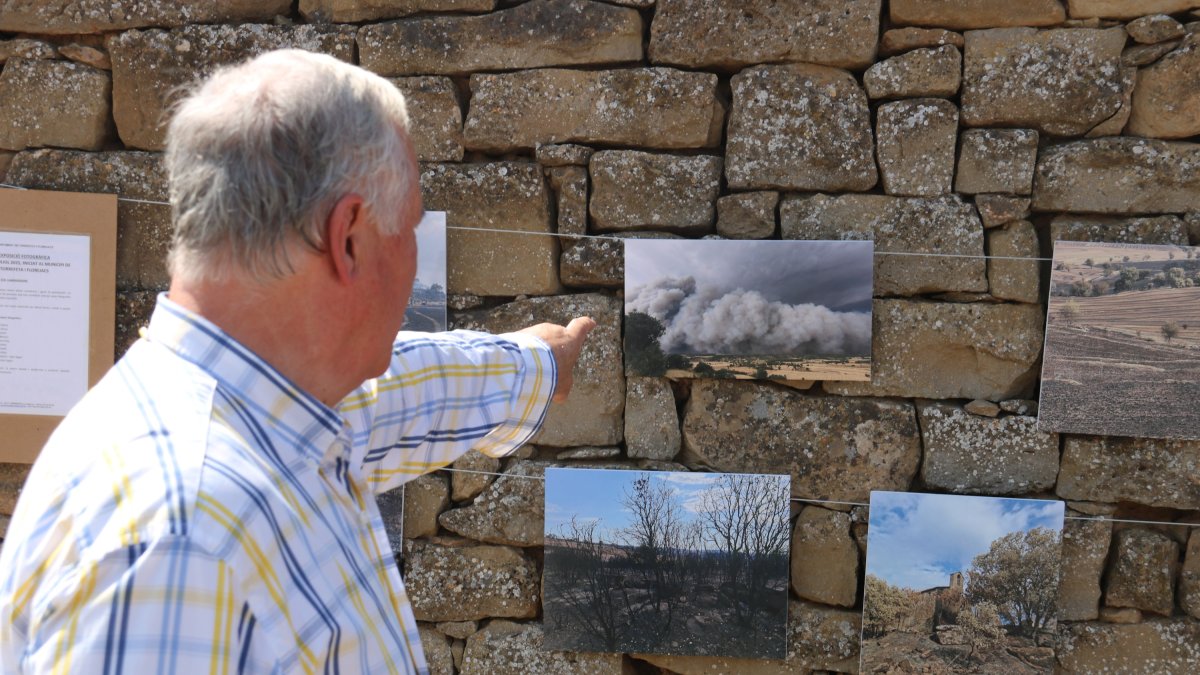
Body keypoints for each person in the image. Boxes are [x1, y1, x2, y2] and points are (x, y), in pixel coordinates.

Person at [0, 49, 594, 674]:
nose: (414, 255)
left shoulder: (271, 411)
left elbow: (402, 393)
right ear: (347, 239)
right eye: (410, 227)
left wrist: (537, 365)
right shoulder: (183, 538)